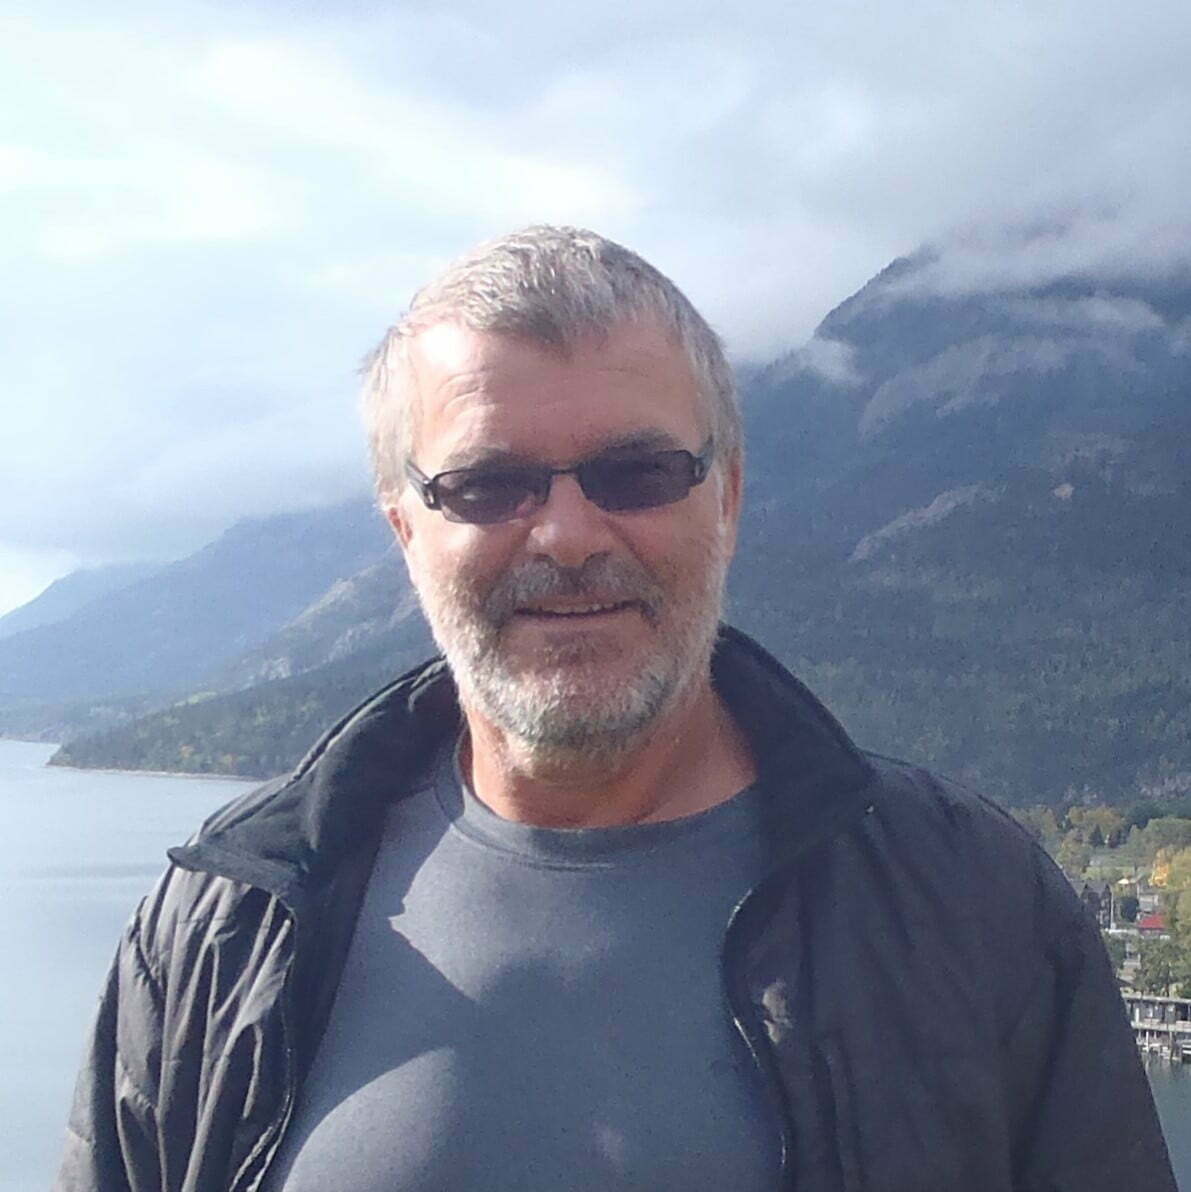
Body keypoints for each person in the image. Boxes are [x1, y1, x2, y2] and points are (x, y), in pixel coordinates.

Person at [58, 226, 1175, 1192]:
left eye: (637, 472)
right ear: (405, 526)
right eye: (491, 484)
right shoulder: (222, 931)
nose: (570, 534)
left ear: (728, 497)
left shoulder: (975, 909)